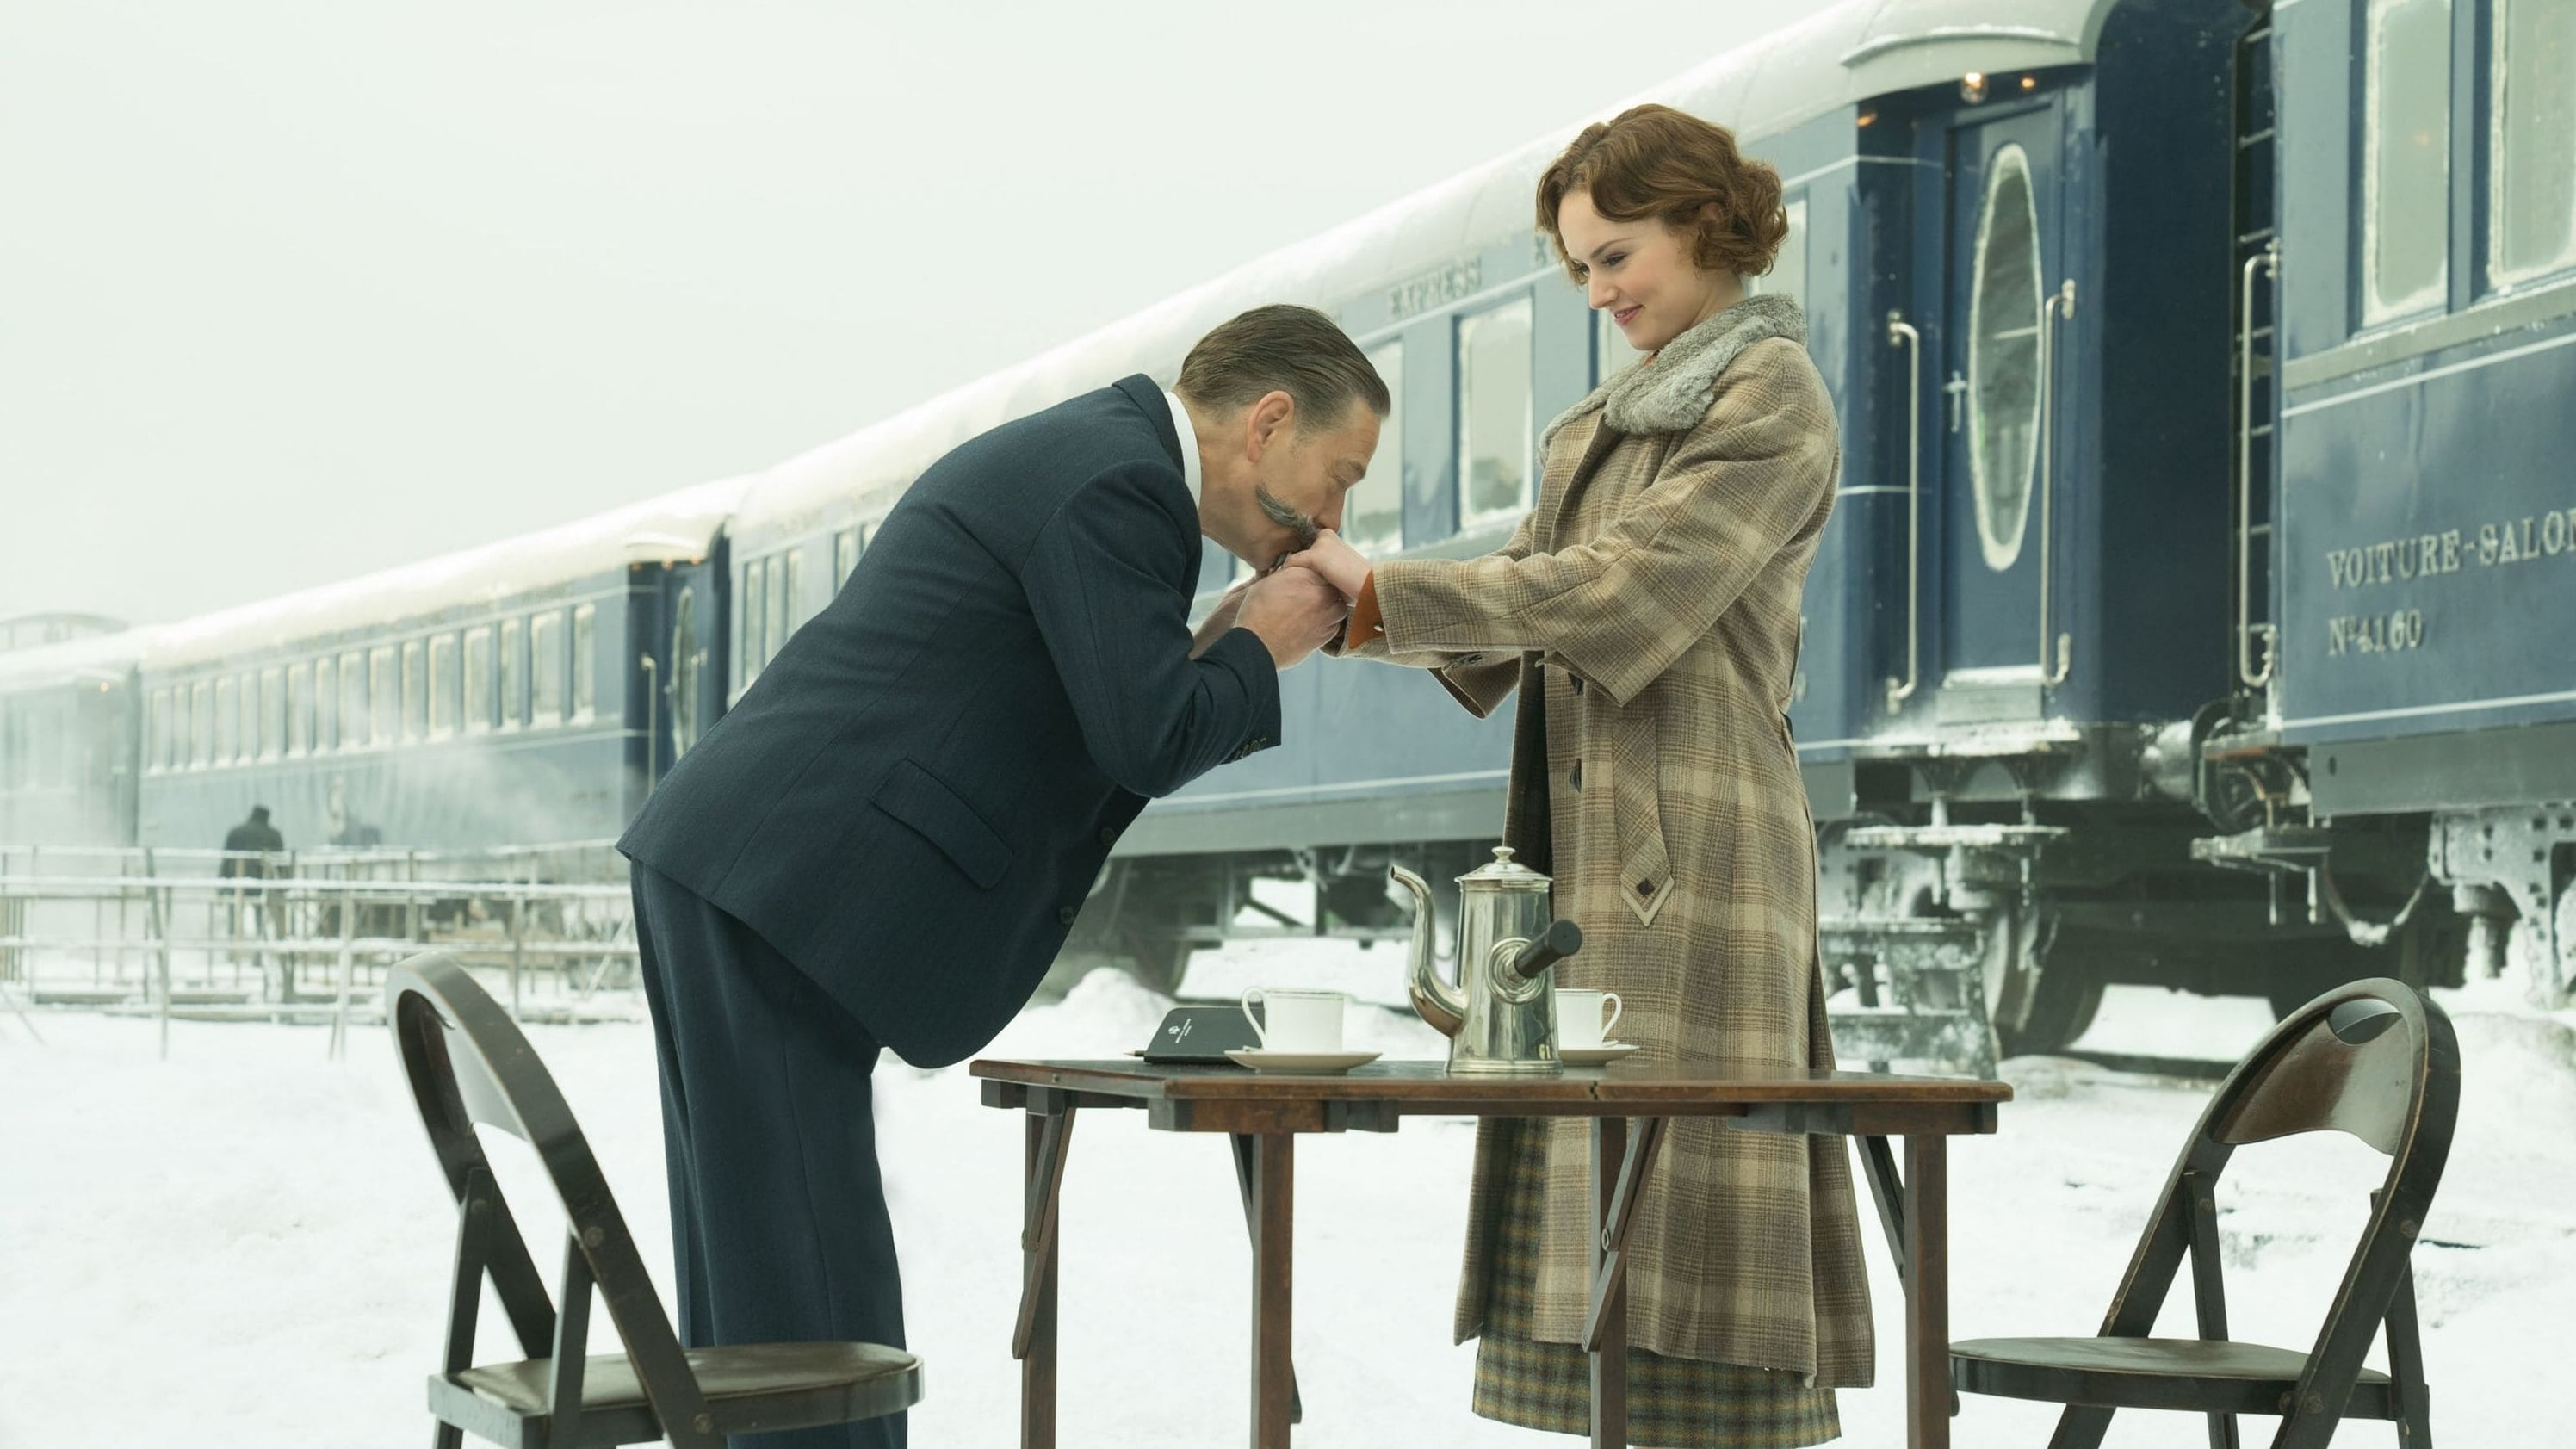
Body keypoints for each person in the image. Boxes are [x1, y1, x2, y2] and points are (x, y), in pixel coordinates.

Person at [615, 304, 1378, 1448]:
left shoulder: (1102, 457)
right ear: (1269, 423)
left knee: (761, 1262)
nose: (1331, 519)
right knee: (808, 1262)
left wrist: (1218, 636)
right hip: (784, 877)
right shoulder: (1123, 483)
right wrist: (1259, 644)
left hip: (750, 861)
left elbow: (1103, 703)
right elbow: (1146, 739)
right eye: (1340, 476)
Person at [1290, 105, 1871, 1447]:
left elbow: (1616, 592)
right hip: (1588, 840)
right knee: (1601, 1209)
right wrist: (1340, 602)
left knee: (1689, 1213)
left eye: (1617, 255)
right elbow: (1520, 606)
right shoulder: (1595, 426)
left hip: (1700, 841)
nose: (1599, 290)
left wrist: (1385, 592)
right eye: (1580, 267)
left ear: (1705, 225)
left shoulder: (1772, 397)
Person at [220, 805, 288, 994]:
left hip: (237, 883)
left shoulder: (236, 832)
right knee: (261, 922)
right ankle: (258, 955)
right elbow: (281, 864)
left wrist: (222, 885)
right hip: (261, 885)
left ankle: (232, 953)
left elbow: (226, 861)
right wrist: (284, 887)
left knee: (234, 920)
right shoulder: (273, 835)